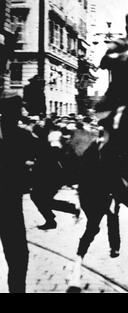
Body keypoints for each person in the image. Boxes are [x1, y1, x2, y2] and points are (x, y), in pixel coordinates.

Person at [0, 91, 35, 293]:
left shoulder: (24, 134)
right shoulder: (24, 135)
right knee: (18, 256)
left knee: (18, 256)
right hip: (10, 204)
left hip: (10, 203)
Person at [30, 118, 80, 230]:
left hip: (52, 175)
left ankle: (66, 211)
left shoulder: (50, 140)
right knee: (40, 198)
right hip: (49, 174)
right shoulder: (44, 140)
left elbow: (55, 154)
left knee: (38, 197)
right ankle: (64, 212)